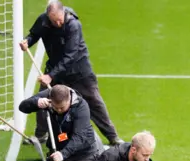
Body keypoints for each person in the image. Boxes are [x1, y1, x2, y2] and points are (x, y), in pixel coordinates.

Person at [19, 1, 124, 146]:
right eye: (54, 20)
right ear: (48, 16)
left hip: (79, 70)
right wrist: (27, 42)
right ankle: (40, 135)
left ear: (63, 12)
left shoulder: (73, 25)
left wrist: (50, 76)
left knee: (94, 102)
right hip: (55, 69)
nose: (57, 22)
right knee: (44, 98)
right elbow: (34, 34)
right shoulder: (43, 20)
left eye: (59, 19)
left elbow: (70, 56)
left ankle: (113, 136)